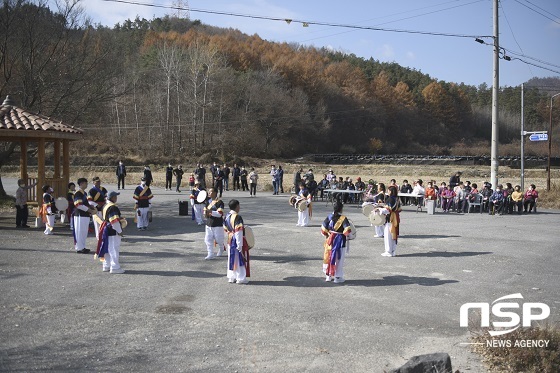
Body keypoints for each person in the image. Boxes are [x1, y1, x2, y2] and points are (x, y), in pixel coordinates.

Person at [321, 200, 352, 283]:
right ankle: (337, 277)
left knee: (328, 256)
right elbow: (347, 230)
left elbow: (323, 229)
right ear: (341, 209)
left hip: (330, 239)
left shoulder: (329, 216)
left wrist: (328, 234)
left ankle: (328, 276)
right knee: (338, 258)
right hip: (339, 240)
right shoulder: (343, 218)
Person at [95, 191, 125, 274]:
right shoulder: (112, 207)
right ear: (112, 197)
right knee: (114, 248)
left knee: (107, 248)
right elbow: (114, 221)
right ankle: (115, 267)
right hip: (112, 230)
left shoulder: (105, 205)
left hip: (106, 228)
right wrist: (120, 231)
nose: (116, 198)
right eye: (115, 196)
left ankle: (106, 265)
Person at [223, 199, 250, 284]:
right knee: (239, 259)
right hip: (236, 239)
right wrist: (240, 245)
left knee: (231, 258)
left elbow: (225, 229)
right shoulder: (237, 217)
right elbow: (238, 231)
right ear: (237, 206)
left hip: (230, 238)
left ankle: (231, 277)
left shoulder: (227, 216)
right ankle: (241, 278)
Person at [74, 178, 96, 253]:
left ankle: (82, 246)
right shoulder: (78, 193)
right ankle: (79, 248)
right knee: (80, 231)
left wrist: (91, 207)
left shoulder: (84, 193)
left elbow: (85, 204)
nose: (86, 185)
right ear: (81, 184)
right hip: (80, 214)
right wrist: (89, 210)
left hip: (85, 214)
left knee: (83, 232)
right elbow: (78, 205)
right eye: (86, 183)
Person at [203, 188, 225, 260]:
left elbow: (220, 214)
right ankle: (210, 253)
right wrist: (205, 214)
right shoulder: (207, 201)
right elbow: (205, 211)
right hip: (209, 223)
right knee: (208, 239)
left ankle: (222, 248)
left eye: (211, 192)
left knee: (219, 239)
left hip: (217, 224)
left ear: (215, 193)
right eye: (208, 192)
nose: (209, 193)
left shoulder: (219, 202)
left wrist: (211, 212)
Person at [380, 186, 401, 257]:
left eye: (388, 190)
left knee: (388, 235)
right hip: (396, 218)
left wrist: (379, 210)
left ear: (391, 191)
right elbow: (400, 209)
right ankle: (393, 250)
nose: (387, 192)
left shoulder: (390, 199)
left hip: (390, 219)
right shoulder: (397, 199)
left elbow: (388, 210)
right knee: (394, 235)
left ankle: (388, 251)